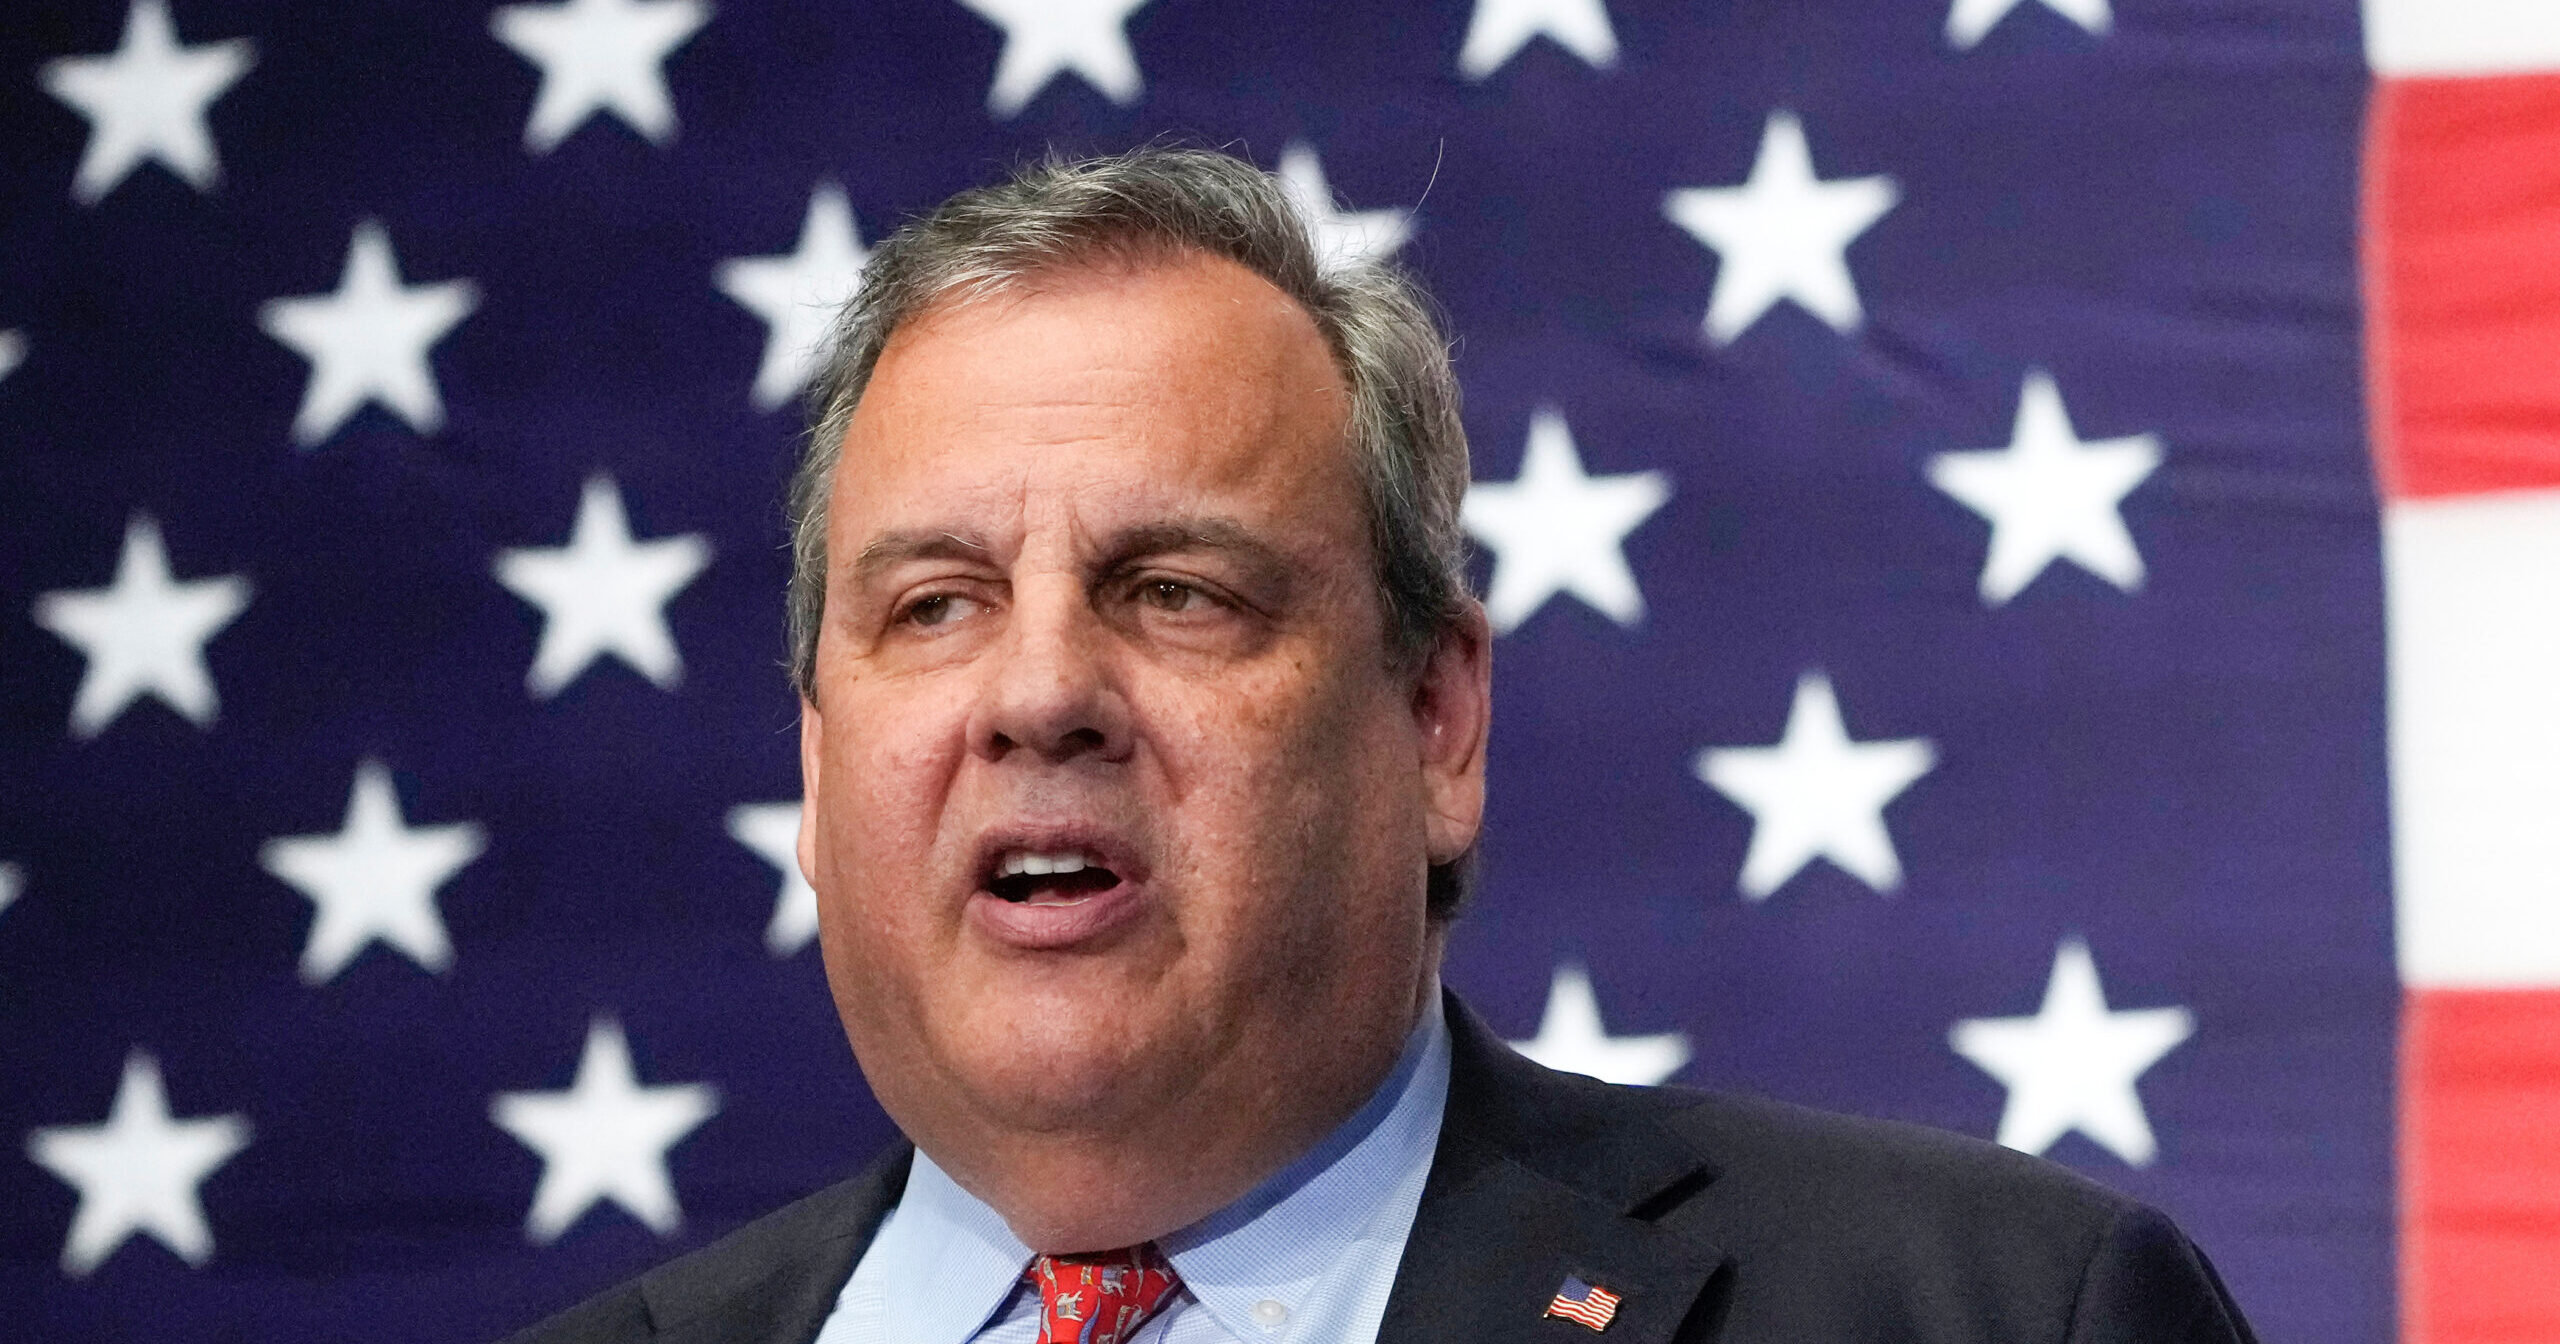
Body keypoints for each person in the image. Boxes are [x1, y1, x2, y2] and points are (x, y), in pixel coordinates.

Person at [501, 147, 2257, 1344]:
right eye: (935, 604)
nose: (1040, 691)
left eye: (1176, 590)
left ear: (1436, 722)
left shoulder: (1988, 1311)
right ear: (819, 769)